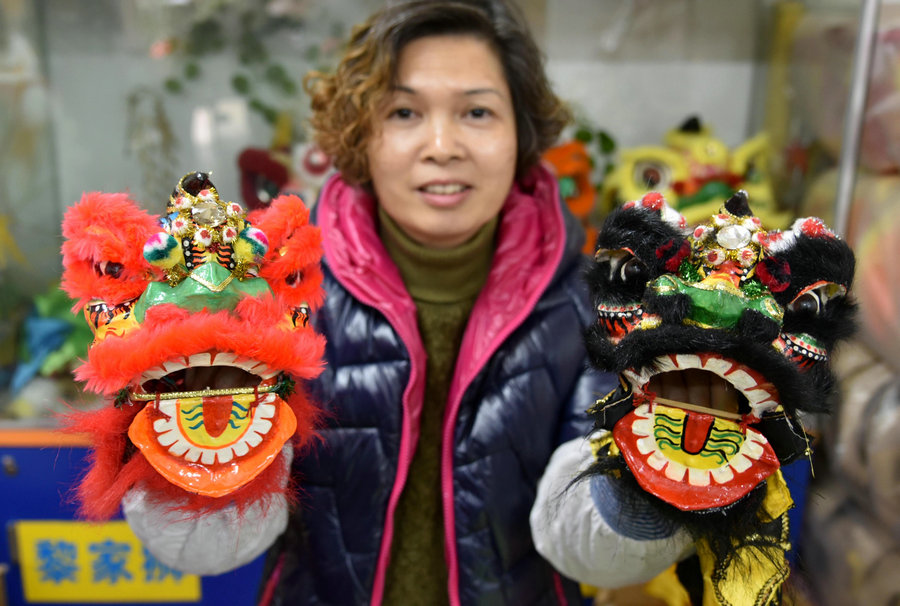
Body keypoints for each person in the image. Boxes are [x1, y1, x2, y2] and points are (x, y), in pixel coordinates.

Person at [124, 0, 692, 604]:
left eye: (477, 111)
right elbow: (204, 547)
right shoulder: (281, 294)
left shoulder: (597, 307)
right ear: (360, 134)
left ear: (521, 134)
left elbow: (596, 550)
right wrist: (199, 444)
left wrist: (663, 461)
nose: (441, 145)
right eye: (403, 112)